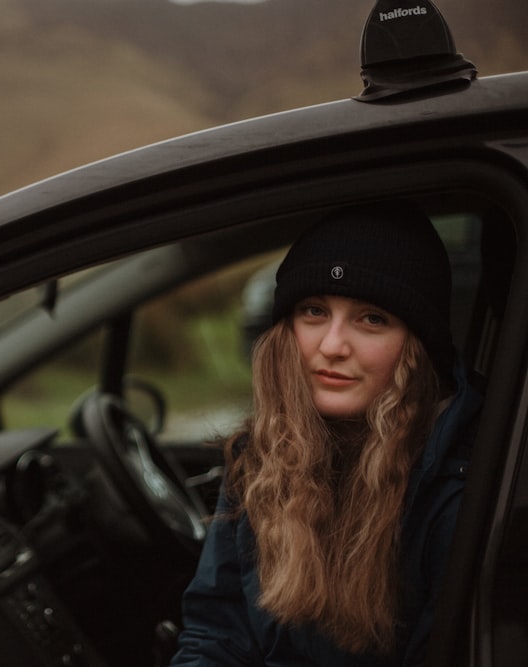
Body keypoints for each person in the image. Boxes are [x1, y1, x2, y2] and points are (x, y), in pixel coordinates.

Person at [169, 201, 482, 666]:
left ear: (416, 347)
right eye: (314, 311)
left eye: (372, 318)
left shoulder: (464, 481)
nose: (332, 346)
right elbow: (217, 635)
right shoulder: (264, 456)